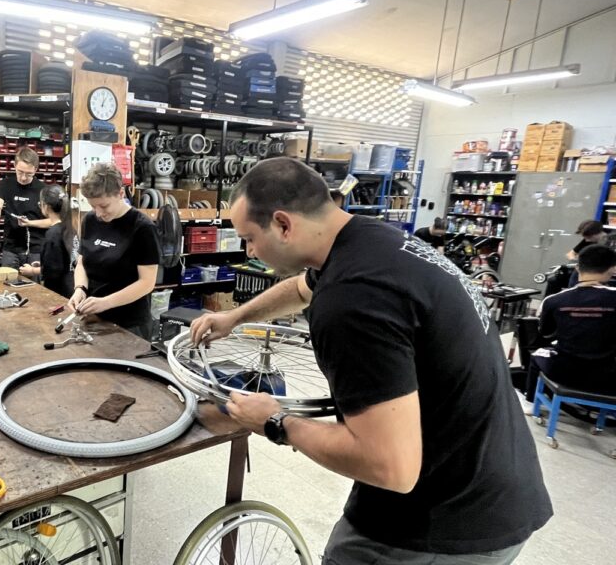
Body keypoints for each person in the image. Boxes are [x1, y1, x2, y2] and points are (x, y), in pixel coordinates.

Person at [189, 158, 551, 564]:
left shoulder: (352, 301)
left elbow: (390, 467)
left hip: (441, 522)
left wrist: (275, 422)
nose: (249, 251)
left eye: (249, 238)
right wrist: (235, 317)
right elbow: (303, 287)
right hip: (496, 482)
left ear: (283, 224)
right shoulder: (368, 239)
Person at [68, 163, 160, 339]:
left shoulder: (142, 228)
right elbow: (81, 262)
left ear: (120, 194)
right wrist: (80, 288)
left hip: (130, 324)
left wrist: (106, 302)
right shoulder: (90, 220)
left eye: (104, 206)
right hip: (94, 317)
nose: (98, 213)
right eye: (93, 206)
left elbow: (147, 283)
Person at [530, 244, 616, 399]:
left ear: (577, 268)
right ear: (612, 269)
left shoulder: (553, 300)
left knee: (537, 355)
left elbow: (546, 333)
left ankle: (530, 400)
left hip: (564, 372)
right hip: (608, 376)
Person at [0, 146, 52, 269]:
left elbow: (52, 221)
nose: (23, 178)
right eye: (20, 172)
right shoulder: (5, 185)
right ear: (14, 165)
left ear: (36, 169)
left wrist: (30, 223)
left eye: (28, 174)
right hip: (11, 248)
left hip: (36, 249)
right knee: (8, 279)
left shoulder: (43, 190)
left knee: (34, 281)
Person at [19, 184, 76, 297]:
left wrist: (32, 271)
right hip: (71, 285)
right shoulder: (70, 227)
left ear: (46, 206)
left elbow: (53, 270)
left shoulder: (53, 233)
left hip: (59, 291)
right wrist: (43, 263)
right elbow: (64, 259)